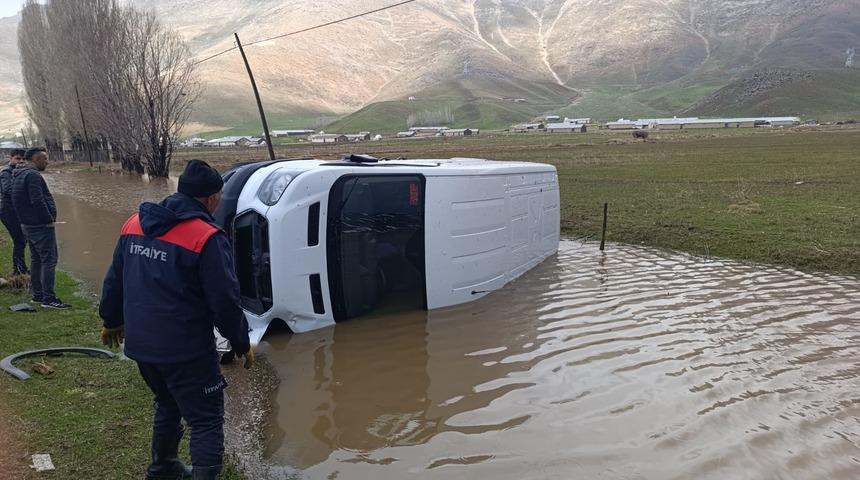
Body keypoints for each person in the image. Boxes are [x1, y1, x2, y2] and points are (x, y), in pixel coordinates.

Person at [99, 159, 253, 480]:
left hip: (142, 347)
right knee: (206, 419)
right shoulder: (206, 237)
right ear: (211, 198)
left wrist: (111, 320)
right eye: (219, 197)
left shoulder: (134, 224)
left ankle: (163, 466)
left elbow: (115, 280)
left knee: (167, 402)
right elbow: (224, 301)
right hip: (185, 352)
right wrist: (240, 341)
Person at [11, 147, 70, 308]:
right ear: (36, 159)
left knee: (37, 259)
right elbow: (37, 200)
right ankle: (49, 298)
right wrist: (48, 219)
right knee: (49, 260)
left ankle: (38, 295)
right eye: (44, 158)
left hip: (27, 224)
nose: (47, 161)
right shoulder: (32, 175)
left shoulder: (19, 173)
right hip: (39, 225)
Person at [0, 148, 29, 276]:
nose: (21, 161)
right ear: (11, 158)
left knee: (22, 239)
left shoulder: (19, 171)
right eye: (18, 158)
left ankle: (20, 268)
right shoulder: (6, 172)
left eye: (23, 159)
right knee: (20, 240)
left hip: (16, 210)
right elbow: (8, 190)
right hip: (8, 211)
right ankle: (18, 270)